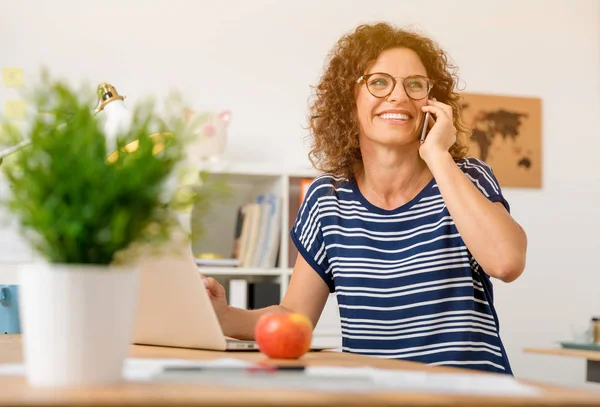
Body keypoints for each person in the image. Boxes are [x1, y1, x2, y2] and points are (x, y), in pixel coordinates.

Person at [203, 22, 527, 374]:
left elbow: (506, 263)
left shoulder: (464, 177)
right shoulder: (327, 199)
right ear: (349, 99)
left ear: (433, 103)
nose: (399, 96)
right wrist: (222, 316)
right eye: (379, 81)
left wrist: (437, 155)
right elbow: (294, 316)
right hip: (377, 394)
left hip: (473, 394)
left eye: (415, 85)